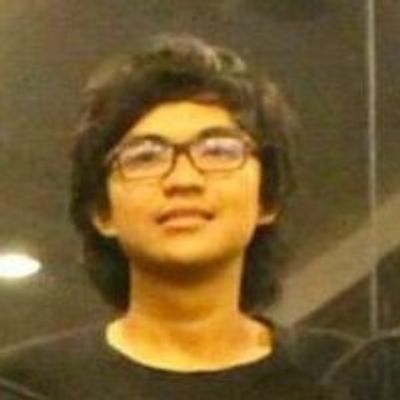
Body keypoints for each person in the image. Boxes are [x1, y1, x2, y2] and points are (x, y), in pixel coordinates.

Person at [0, 33, 347, 399]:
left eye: (218, 150)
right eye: (145, 156)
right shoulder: (26, 384)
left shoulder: (346, 377)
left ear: (267, 199)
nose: (183, 180)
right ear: (102, 212)